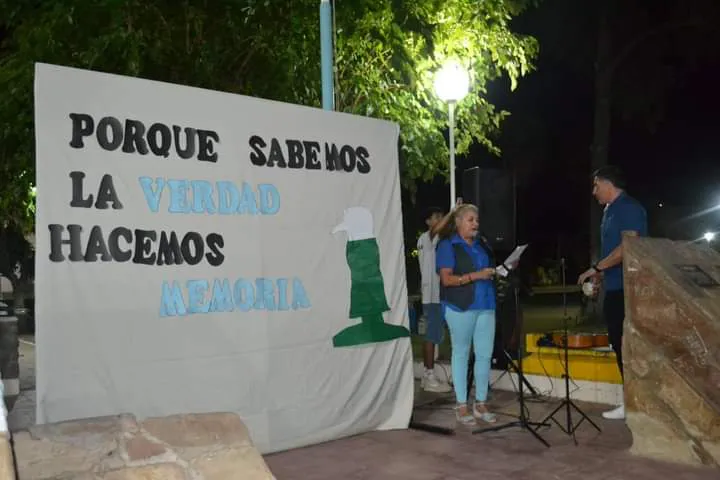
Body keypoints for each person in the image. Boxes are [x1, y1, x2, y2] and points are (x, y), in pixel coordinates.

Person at [577, 166, 647, 420]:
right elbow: (612, 255)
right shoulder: (609, 211)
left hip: (630, 289)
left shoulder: (628, 208)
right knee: (618, 344)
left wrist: (595, 267)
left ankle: (636, 404)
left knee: (629, 347)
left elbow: (628, 247)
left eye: (596, 186)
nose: (594, 192)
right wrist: (600, 275)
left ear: (609, 184)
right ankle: (629, 401)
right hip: (615, 286)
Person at [435, 203, 498, 425]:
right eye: (470, 220)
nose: (476, 224)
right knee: (461, 354)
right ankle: (461, 405)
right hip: (460, 307)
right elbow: (446, 280)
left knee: (484, 355)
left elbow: (486, 272)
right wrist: (475, 276)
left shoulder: (482, 245)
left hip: (486, 305)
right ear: (459, 222)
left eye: (477, 220)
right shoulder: (447, 245)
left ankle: (480, 403)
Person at [417, 207, 452, 393]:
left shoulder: (428, 239)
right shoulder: (428, 237)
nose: (440, 220)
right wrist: (453, 212)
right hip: (433, 295)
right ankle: (429, 375)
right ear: (428, 222)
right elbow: (438, 230)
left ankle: (427, 375)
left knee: (433, 335)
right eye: (436, 217)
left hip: (433, 294)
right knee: (431, 335)